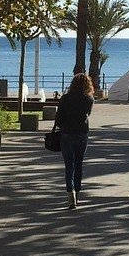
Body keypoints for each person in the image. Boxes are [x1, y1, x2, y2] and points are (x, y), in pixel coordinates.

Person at [54, 72, 94, 209]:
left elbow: (58, 117)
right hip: (82, 134)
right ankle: (77, 192)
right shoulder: (89, 99)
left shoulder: (65, 98)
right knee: (79, 165)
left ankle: (71, 196)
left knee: (69, 166)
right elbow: (87, 114)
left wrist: (62, 124)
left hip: (67, 133)